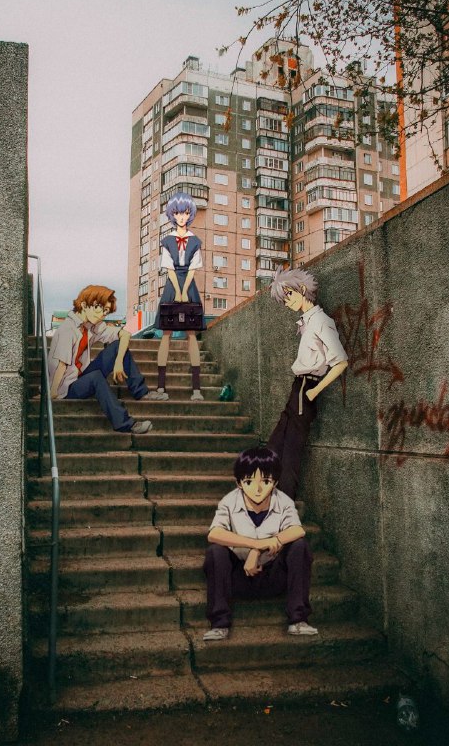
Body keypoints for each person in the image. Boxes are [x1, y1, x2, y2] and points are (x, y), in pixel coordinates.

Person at [203, 447, 317, 641]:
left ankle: (298, 620)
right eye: (249, 481)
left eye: (265, 481)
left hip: (272, 576)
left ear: (275, 482)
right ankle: (219, 623)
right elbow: (214, 533)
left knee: (300, 546)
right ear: (239, 483)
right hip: (239, 576)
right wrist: (256, 544)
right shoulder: (229, 501)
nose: (257, 489)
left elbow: (298, 530)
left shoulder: (284, 501)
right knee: (216, 551)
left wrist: (264, 547)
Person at [267, 266, 348, 499]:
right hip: (298, 388)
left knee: (291, 454)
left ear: (302, 289)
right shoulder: (307, 321)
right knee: (274, 447)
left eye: (289, 296)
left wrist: (314, 392)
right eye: (284, 300)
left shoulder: (321, 321)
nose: (287, 303)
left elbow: (341, 362)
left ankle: (284, 507)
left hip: (307, 389)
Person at [49, 285, 164, 434]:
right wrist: (52, 393)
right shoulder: (67, 329)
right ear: (84, 305)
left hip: (79, 376)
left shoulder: (91, 326)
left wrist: (118, 362)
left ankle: (141, 392)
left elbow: (125, 335)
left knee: (117, 347)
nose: (102, 315)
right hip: (65, 387)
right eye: (100, 308)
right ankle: (125, 424)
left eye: (106, 311)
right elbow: (61, 365)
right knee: (95, 377)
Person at [156, 192, 205, 401]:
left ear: (190, 214)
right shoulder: (167, 240)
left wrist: (185, 291)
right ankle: (160, 388)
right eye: (177, 213)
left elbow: (193, 268)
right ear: (172, 215)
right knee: (166, 333)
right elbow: (169, 269)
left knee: (191, 334)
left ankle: (196, 390)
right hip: (172, 285)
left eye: (185, 212)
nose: (182, 217)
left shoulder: (195, 241)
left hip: (189, 286)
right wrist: (178, 291)